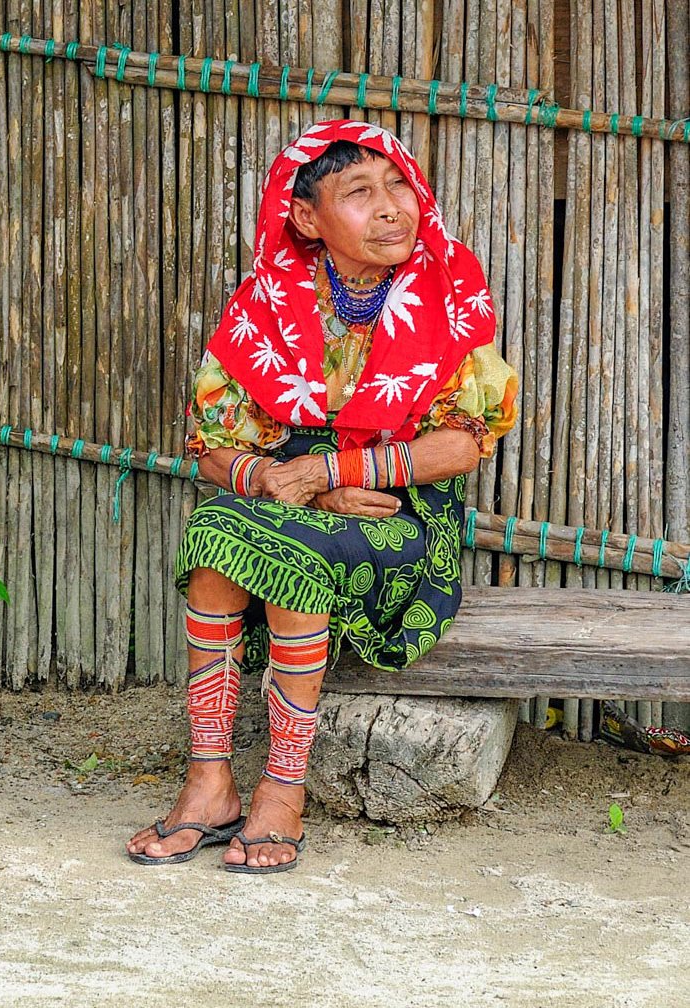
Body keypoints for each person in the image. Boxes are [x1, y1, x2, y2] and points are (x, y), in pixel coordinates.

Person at [126, 120, 518, 874]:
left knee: (289, 551)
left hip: (400, 510)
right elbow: (210, 444)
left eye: (398, 185)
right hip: (286, 492)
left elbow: (464, 443)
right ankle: (209, 781)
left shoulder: (450, 292)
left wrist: (338, 474)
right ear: (308, 218)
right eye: (360, 192)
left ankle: (282, 787)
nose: (391, 207)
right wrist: (275, 479)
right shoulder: (267, 300)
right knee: (216, 531)